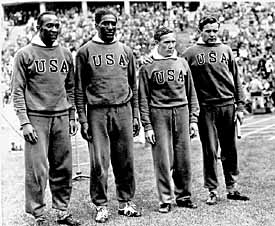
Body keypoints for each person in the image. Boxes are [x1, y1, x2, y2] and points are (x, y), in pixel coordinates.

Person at [12, 11, 81, 226]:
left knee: (63, 167)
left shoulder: (65, 53)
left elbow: (70, 87)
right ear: (38, 28)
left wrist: (72, 116)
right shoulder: (25, 54)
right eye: (48, 26)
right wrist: (24, 122)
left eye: (56, 26)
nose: (53, 30)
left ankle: (62, 211)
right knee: (37, 169)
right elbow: (17, 91)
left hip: (61, 115)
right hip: (36, 118)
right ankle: (38, 214)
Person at [75, 8, 141, 223]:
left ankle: (125, 202)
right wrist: (83, 119)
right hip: (97, 112)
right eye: (106, 23)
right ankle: (101, 205)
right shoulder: (85, 52)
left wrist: (136, 115)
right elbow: (78, 89)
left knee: (125, 159)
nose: (111, 27)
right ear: (96, 25)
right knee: (99, 162)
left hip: (123, 109)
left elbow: (134, 84)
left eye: (113, 23)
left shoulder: (126, 50)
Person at [182, 15, 250, 205]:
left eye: (215, 30)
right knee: (210, 150)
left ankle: (232, 187)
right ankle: (212, 190)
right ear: (200, 31)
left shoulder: (226, 50)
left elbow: (236, 79)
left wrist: (240, 106)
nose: (212, 34)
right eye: (208, 31)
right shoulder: (190, 53)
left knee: (229, 149)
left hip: (227, 105)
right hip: (206, 108)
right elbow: (182, 79)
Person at [138, 27, 200, 213]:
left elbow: (192, 93)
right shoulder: (147, 66)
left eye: (173, 42)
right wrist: (147, 126)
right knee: (163, 159)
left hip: (181, 111)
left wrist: (193, 119)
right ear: (157, 43)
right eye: (166, 42)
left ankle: (184, 196)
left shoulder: (182, 63)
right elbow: (142, 99)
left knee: (184, 158)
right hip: (159, 114)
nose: (171, 45)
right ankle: (165, 199)